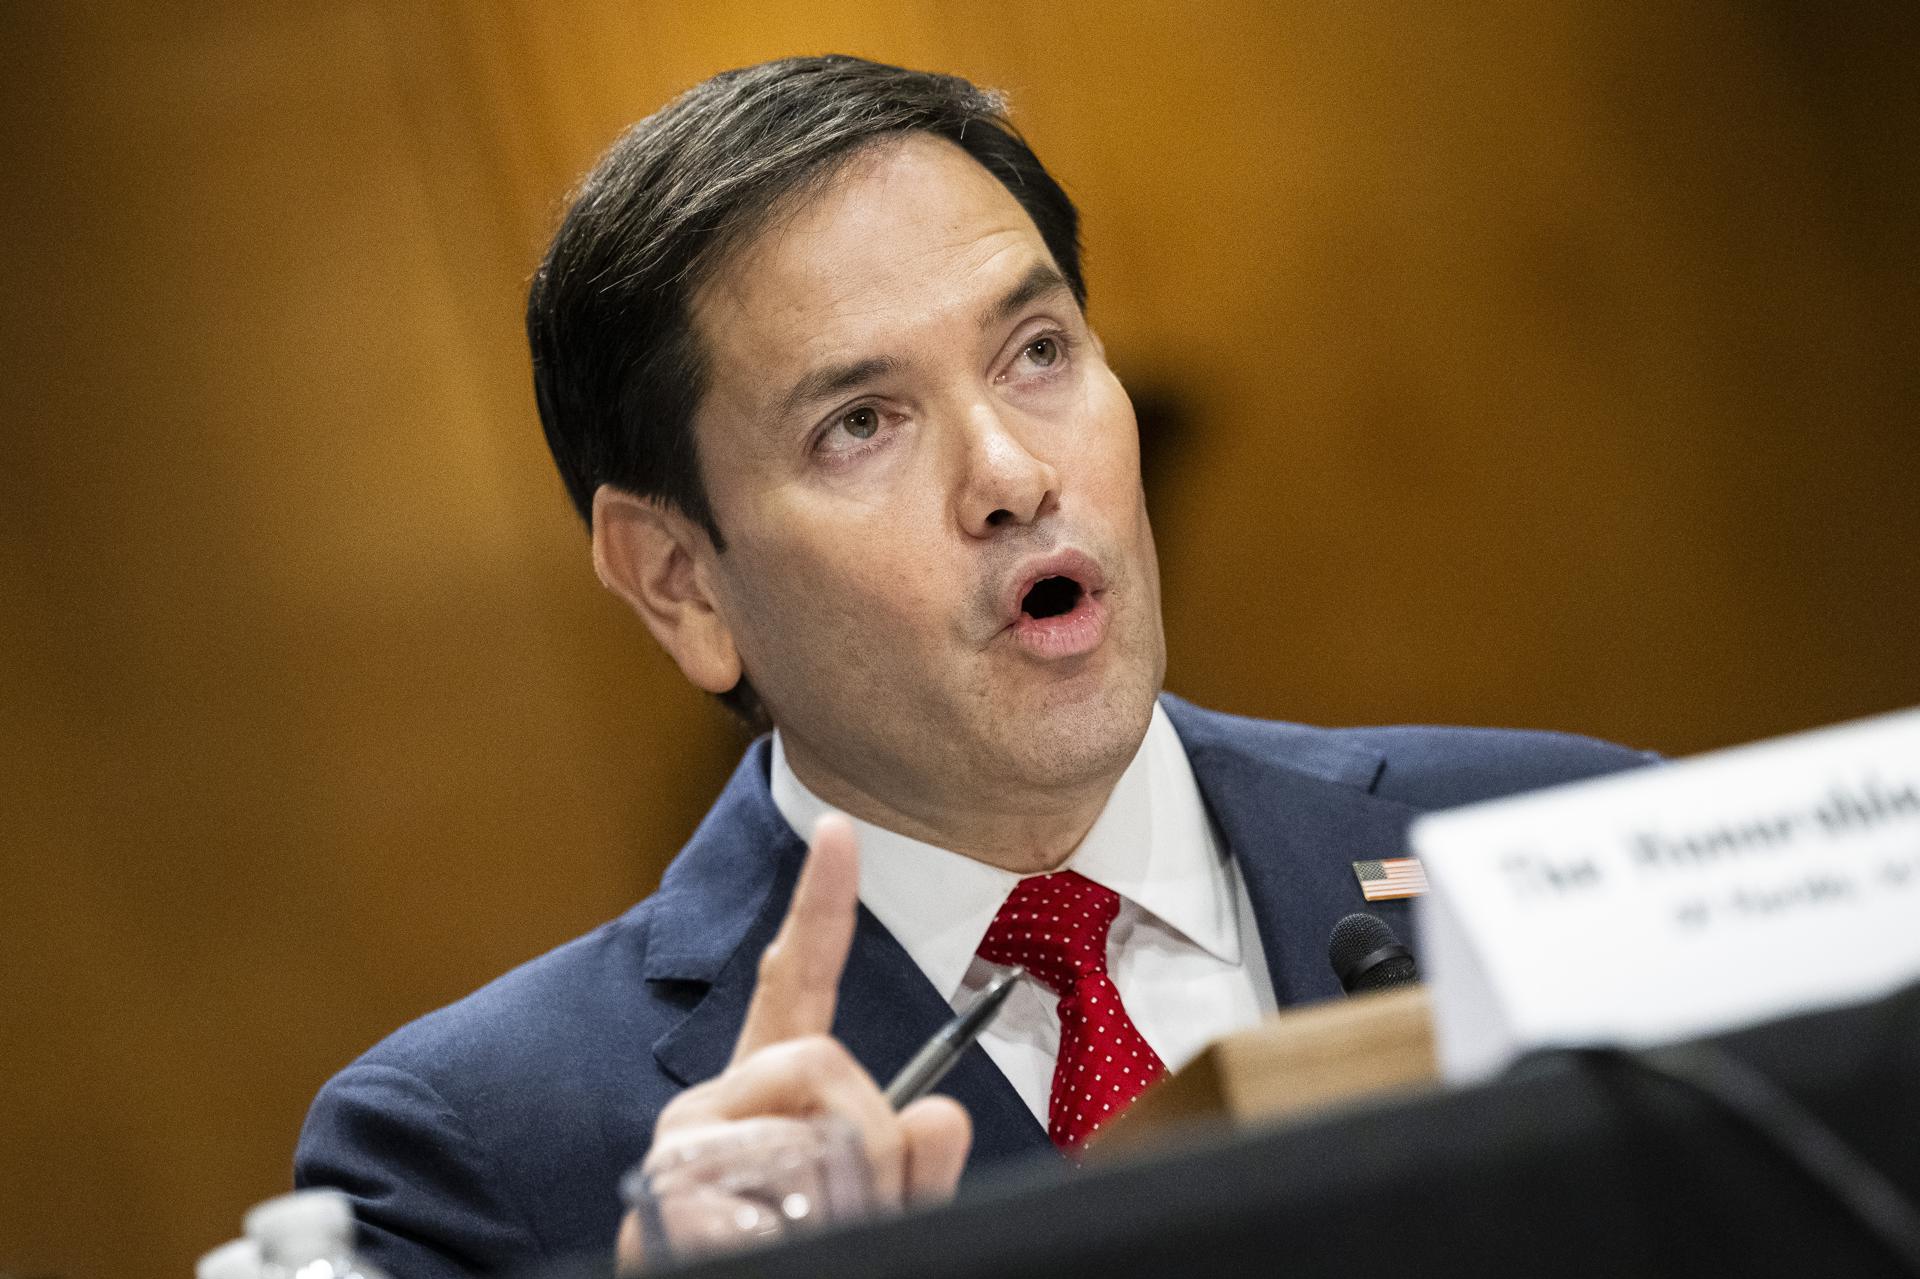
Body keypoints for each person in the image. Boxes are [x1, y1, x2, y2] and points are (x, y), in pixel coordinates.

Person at [294, 55, 1655, 1277]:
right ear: (681, 580)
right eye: (861, 424)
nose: (1010, 474)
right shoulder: (475, 1160)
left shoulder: (1573, 848)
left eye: (1038, 352)